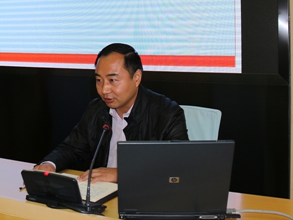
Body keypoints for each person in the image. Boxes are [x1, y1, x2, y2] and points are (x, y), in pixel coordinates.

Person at [34, 43, 188, 183]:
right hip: (101, 193)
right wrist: (49, 164)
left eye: (112, 80)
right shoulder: (97, 109)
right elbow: (72, 148)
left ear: (136, 78)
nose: (104, 90)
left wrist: (121, 174)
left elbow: (178, 166)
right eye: (99, 80)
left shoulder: (167, 113)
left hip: (144, 195)